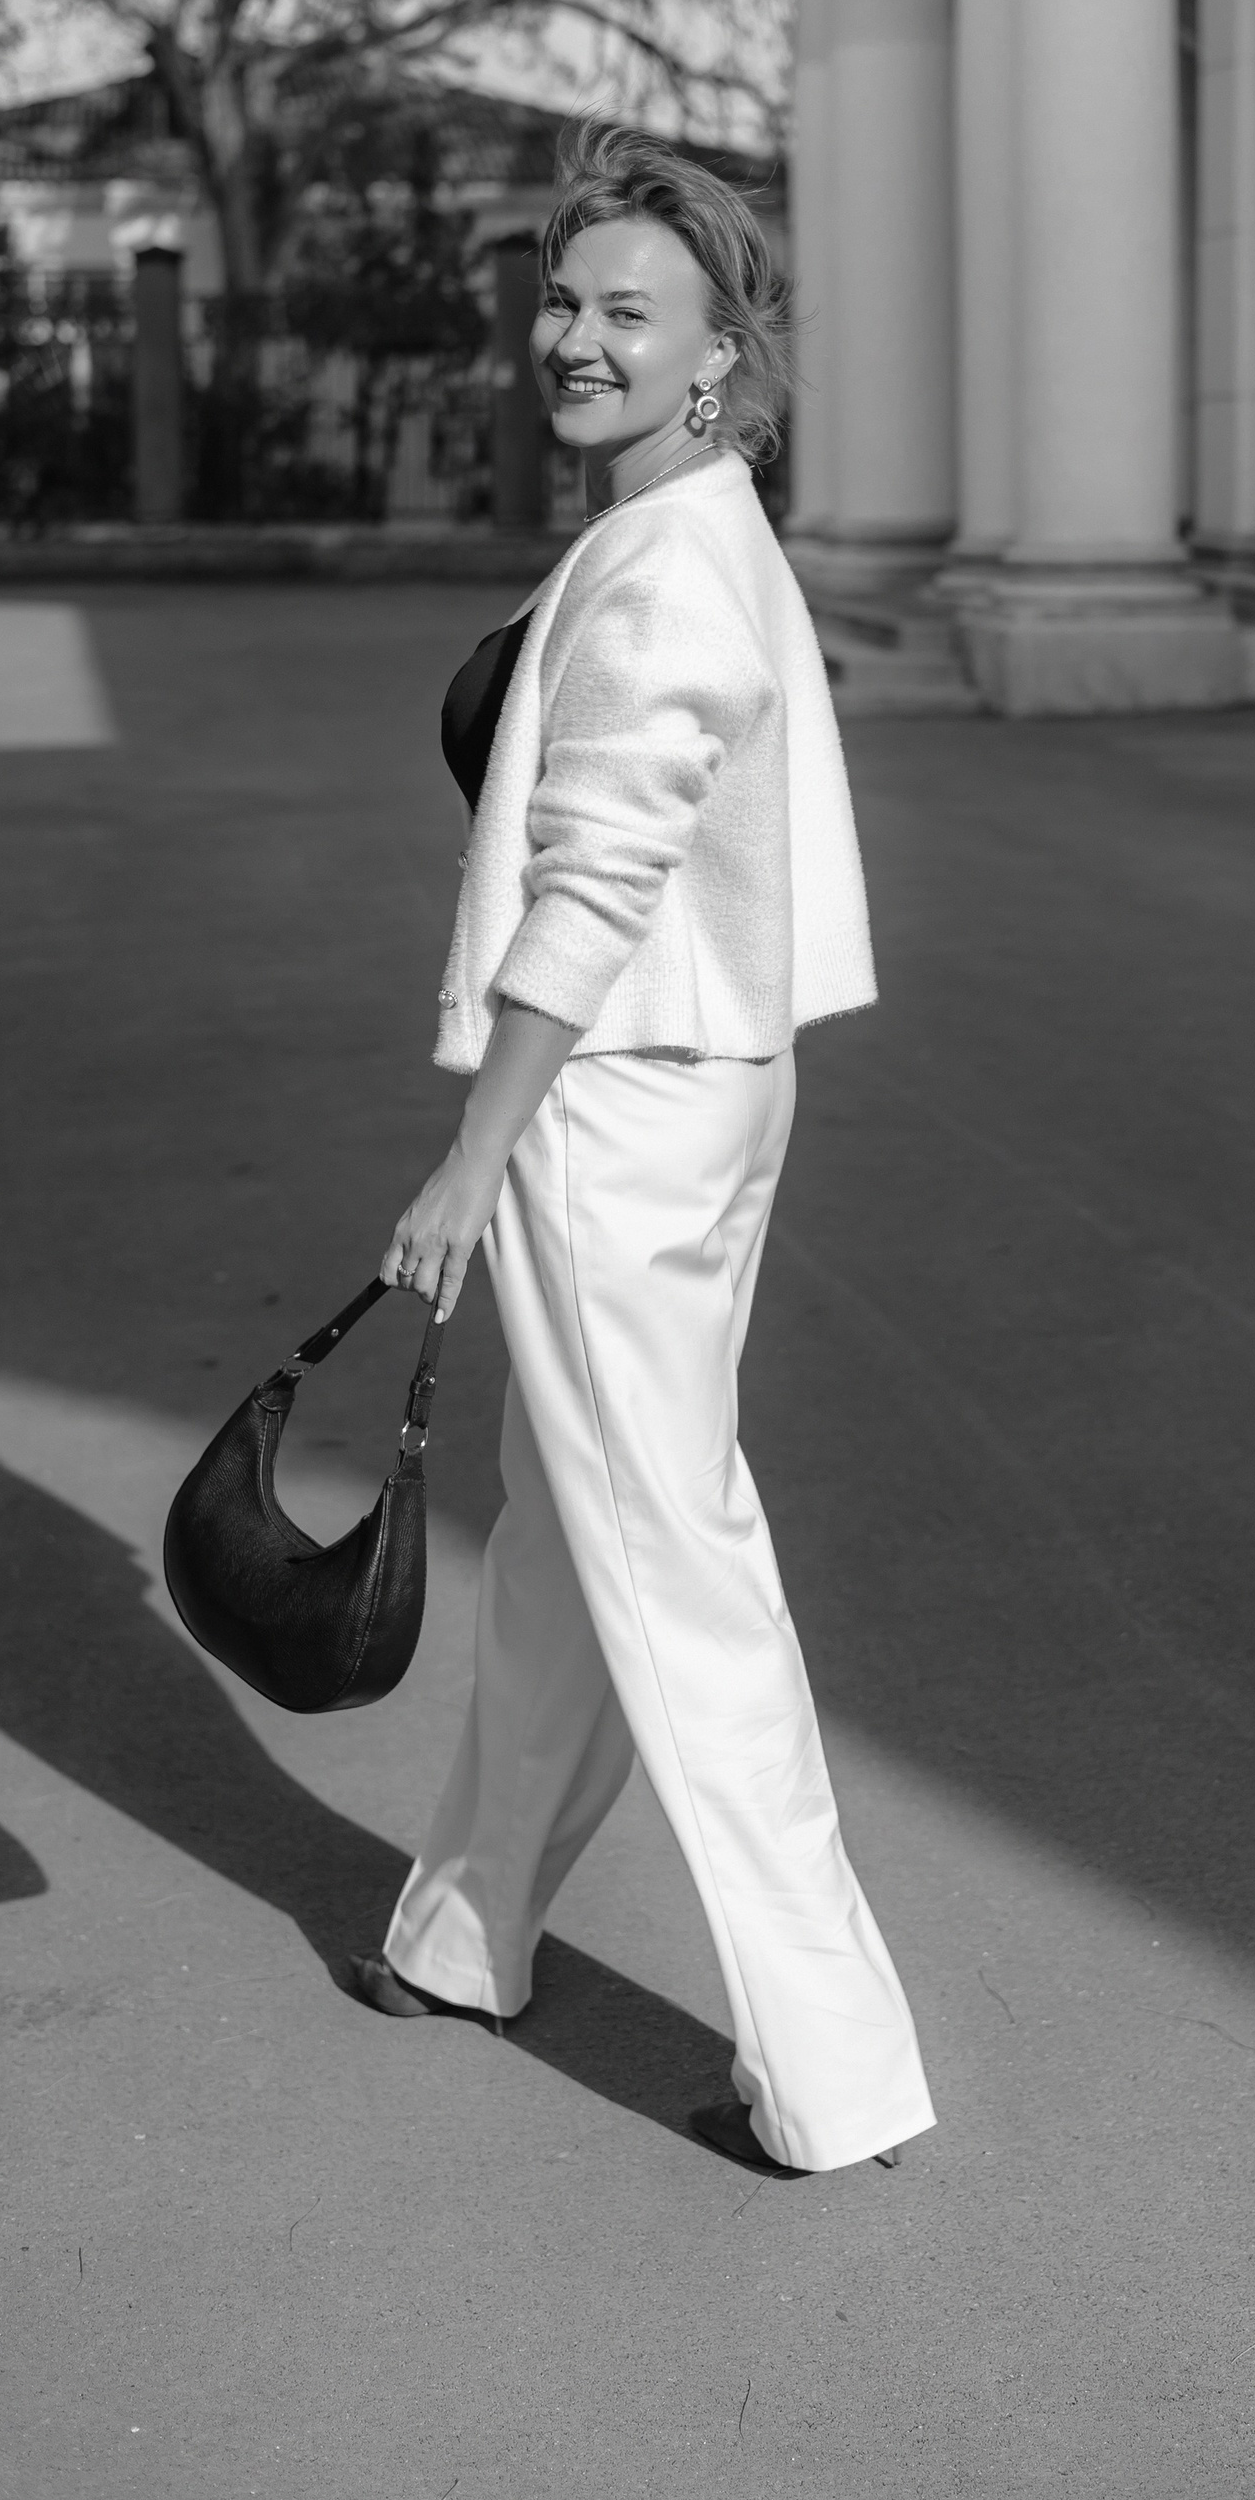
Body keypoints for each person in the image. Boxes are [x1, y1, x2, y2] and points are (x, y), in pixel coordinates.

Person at [348, 122, 935, 2179]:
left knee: (670, 1560)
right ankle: (466, 1926)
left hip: (616, 1105)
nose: (576, 338)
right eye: (563, 300)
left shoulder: (669, 563)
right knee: (578, 1527)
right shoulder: (689, 525)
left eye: (630, 311)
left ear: (721, 357)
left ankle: (834, 2066)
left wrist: (469, 1157)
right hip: (693, 1082)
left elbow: (590, 887)